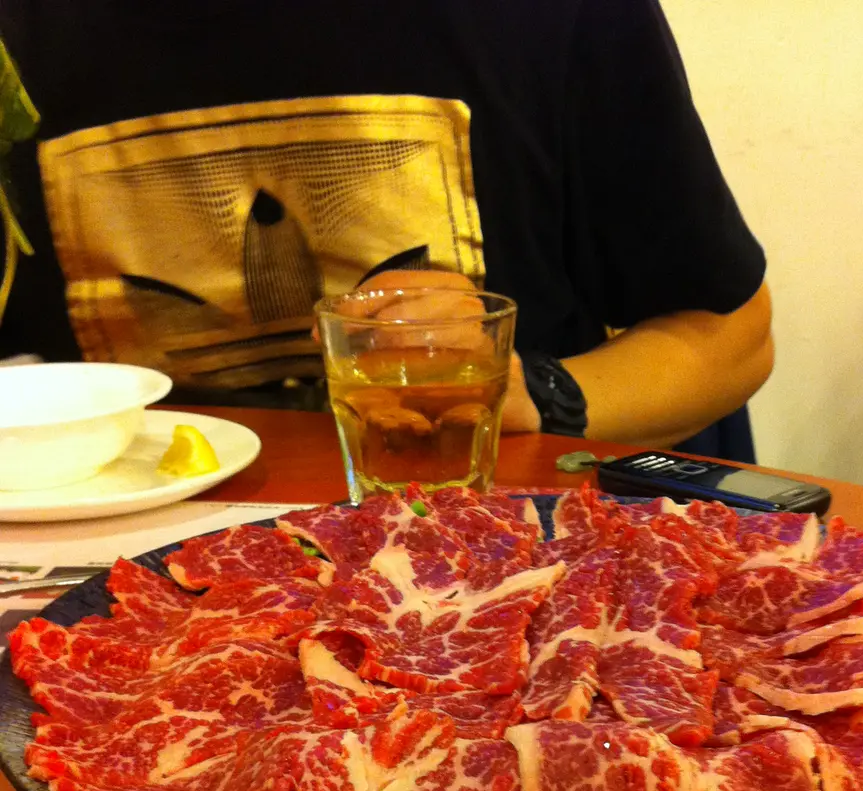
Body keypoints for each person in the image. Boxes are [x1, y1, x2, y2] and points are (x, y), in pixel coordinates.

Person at [0, 0, 773, 453]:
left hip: (480, 567)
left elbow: (729, 338)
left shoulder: (542, 19)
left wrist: (536, 394)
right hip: (100, 577)